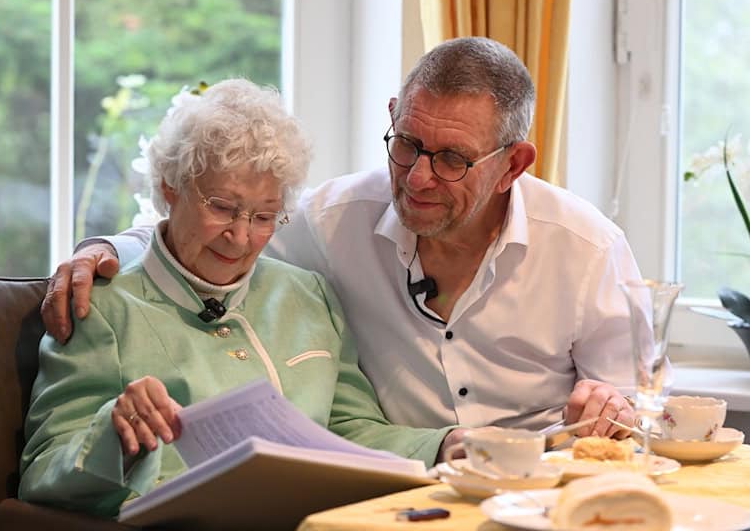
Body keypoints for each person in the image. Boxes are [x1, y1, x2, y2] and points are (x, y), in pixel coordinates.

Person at [42, 37, 641, 439]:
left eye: (454, 159)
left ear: (513, 164)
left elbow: (632, 409)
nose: (419, 177)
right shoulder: (333, 220)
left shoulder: (587, 250)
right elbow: (203, 230)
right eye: (406, 143)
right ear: (392, 116)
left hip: (541, 495)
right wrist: (100, 249)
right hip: (403, 497)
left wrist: (613, 410)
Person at [19, 79, 459, 516]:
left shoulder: (309, 295)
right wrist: (114, 434)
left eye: (264, 216)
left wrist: (442, 447)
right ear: (171, 186)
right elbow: (44, 470)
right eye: (223, 208)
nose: (241, 236)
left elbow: (348, 430)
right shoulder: (103, 307)